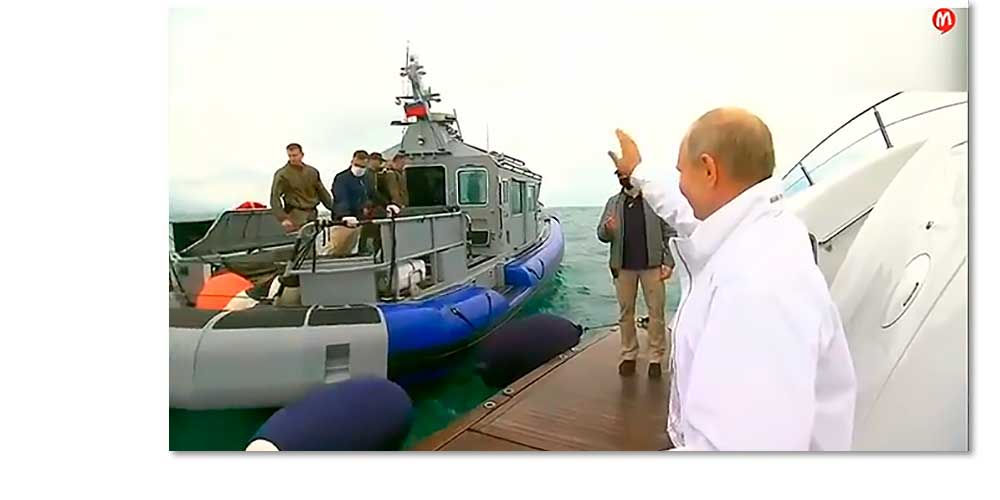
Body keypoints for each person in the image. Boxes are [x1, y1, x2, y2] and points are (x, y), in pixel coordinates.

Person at [607, 108, 856, 451]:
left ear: (709, 170)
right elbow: (681, 211)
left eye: (681, 171)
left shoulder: (759, 284)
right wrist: (637, 173)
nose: (680, 183)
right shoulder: (758, 230)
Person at [597, 171, 677, 378]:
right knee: (626, 313)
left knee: (656, 312)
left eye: (627, 175)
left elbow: (669, 233)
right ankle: (629, 354)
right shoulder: (613, 203)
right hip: (623, 267)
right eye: (620, 176)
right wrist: (608, 229)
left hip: (652, 266)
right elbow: (601, 235)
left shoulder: (653, 202)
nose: (624, 179)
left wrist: (668, 261)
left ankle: (655, 357)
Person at [326, 150, 399, 256]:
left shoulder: (367, 178)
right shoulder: (342, 178)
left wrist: (388, 204)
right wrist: (344, 215)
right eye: (357, 165)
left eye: (362, 166)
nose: (359, 169)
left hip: (360, 219)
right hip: (343, 221)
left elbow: (373, 194)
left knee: (357, 248)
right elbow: (341, 197)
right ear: (352, 161)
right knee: (338, 249)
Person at [269, 143, 335, 232]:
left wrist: (336, 209)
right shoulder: (282, 174)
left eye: (295, 155)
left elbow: (322, 193)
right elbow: (275, 197)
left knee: (314, 238)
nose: (292, 158)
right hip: (294, 216)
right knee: (296, 239)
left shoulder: (312, 172)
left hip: (312, 215)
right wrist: (283, 218)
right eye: (290, 156)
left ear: (302, 155)